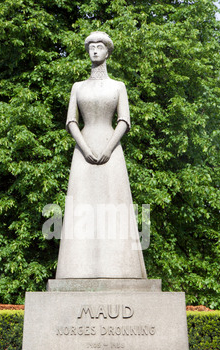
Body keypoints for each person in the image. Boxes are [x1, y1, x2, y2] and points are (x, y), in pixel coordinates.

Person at [55, 31, 147, 279]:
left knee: (115, 206)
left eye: (99, 47)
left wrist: (108, 149)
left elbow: (124, 121)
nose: (95, 50)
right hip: (83, 151)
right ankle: (75, 270)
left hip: (111, 150)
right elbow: (71, 121)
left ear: (107, 52)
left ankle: (121, 268)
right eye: (91, 47)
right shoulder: (78, 87)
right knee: (80, 207)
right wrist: (85, 149)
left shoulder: (118, 86)